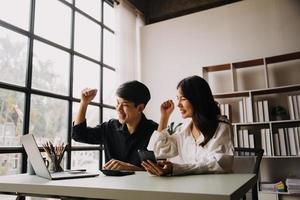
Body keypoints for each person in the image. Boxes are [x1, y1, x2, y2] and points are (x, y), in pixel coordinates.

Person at [142, 75, 234, 176]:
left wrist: (178, 168)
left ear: (198, 99)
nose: (178, 104)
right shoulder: (183, 129)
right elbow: (158, 151)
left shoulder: (221, 126)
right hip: (189, 187)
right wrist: (164, 116)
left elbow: (219, 163)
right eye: (178, 98)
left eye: (183, 99)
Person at [72, 80, 158, 171]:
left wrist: (131, 168)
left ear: (140, 108)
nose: (118, 108)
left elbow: (160, 170)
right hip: (110, 185)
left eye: (125, 105)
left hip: (143, 185)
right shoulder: (109, 127)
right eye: (117, 102)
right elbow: (78, 135)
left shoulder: (155, 131)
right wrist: (84, 103)